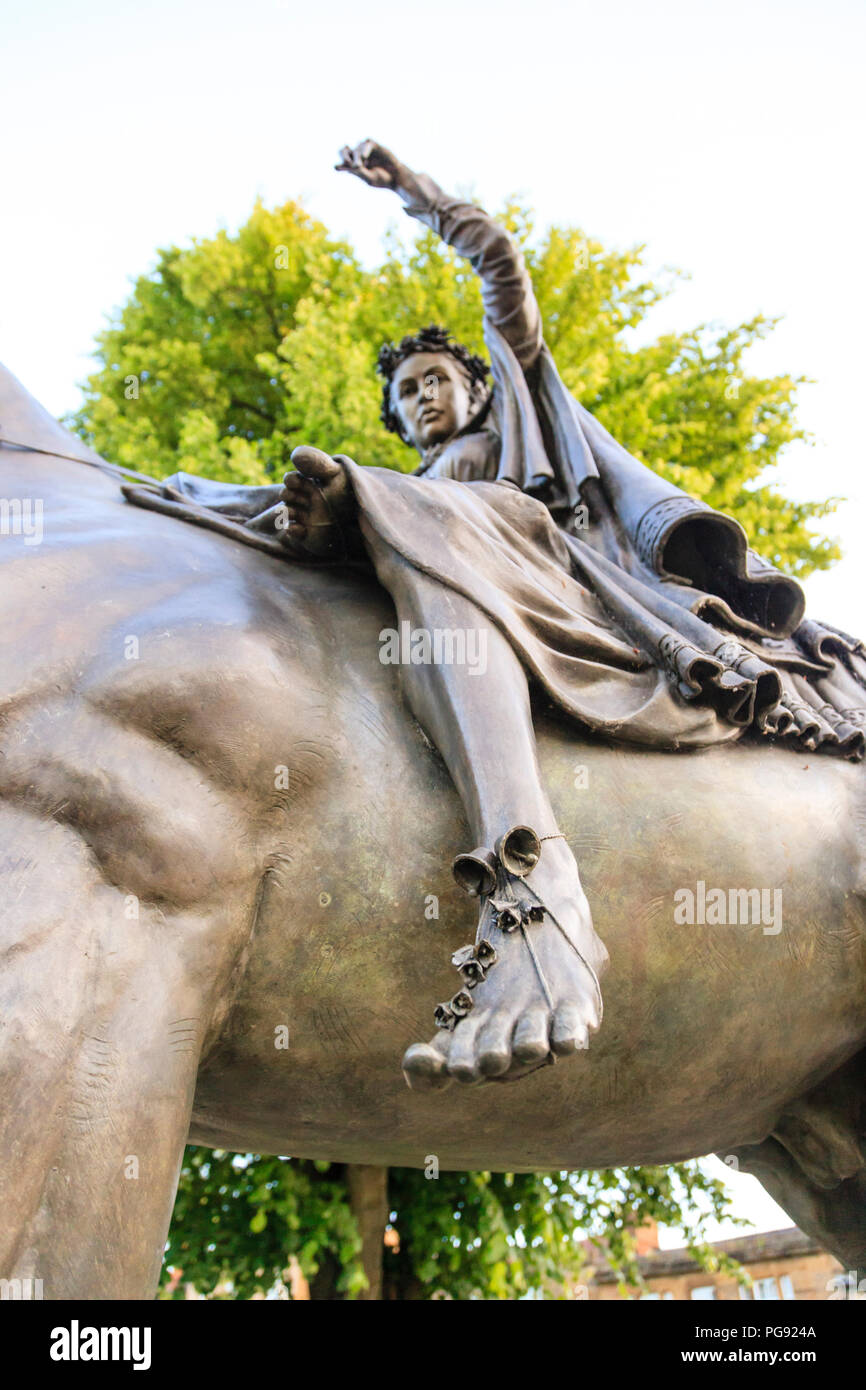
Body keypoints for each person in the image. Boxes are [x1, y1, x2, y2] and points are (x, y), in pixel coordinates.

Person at [124, 140, 866, 1091]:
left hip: (548, 567)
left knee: (429, 512)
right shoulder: (413, 493)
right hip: (437, 552)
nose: (423, 395)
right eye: (405, 392)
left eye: (436, 379)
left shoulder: (506, 418)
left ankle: (532, 881)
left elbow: (501, 266)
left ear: (476, 386)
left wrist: (418, 196)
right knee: (286, 505)